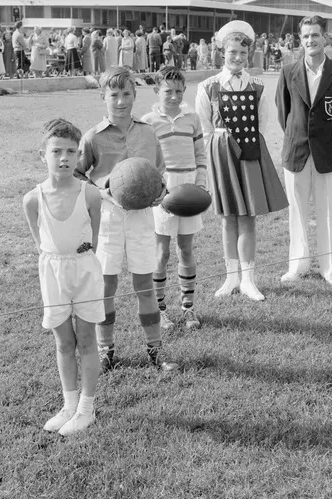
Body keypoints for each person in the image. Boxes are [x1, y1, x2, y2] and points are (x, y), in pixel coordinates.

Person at [74, 66, 177, 373]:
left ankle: (155, 350)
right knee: (106, 285)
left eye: (127, 94)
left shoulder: (147, 131)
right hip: (109, 217)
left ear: (135, 95)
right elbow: (78, 174)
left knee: (145, 284)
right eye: (114, 95)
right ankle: (106, 351)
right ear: (102, 96)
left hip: (142, 216)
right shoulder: (93, 137)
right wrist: (98, 192)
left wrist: (161, 190)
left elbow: (158, 172)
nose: (121, 101)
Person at [22, 118, 104, 436]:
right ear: (42, 154)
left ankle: (86, 408)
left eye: (72, 151)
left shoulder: (91, 194)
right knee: (63, 342)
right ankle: (69, 404)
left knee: (86, 340)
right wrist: (57, 260)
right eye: (56, 151)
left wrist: (80, 254)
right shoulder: (32, 200)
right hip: (53, 272)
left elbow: (92, 239)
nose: (65, 158)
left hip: (84, 271)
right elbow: (41, 243)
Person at [196, 21, 288, 301]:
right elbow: (206, 129)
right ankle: (230, 278)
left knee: (248, 217)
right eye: (232, 52)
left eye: (243, 53)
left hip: (249, 151)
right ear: (222, 53)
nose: (237, 58)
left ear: (250, 54)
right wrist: (219, 154)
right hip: (222, 152)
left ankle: (248, 279)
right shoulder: (208, 86)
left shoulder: (258, 86)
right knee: (228, 218)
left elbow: (262, 125)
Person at [275, 14, 332, 287]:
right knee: (297, 212)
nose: (311, 40)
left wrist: (329, 137)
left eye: (315, 35)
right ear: (300, 40)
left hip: (327, 153)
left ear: (326, 38)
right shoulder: (288, 72)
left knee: (327, 212)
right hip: (296, 153)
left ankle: (330, 268)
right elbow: (283, 113)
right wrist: (300, 136)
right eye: (306, 36)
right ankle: (297, 265)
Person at [140, 66, 207, 330]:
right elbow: (146, 162)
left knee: (186, 249)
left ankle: (188, 308)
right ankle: (160, 310)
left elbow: (200, 156)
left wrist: (200, 186)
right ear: (157, 91)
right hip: (162, 193)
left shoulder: (192, 118)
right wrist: (157, 190)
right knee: (161, 253)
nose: (174, 96)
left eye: (179, 91)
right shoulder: (148, 121)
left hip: (189, 190)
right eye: (168, 91)